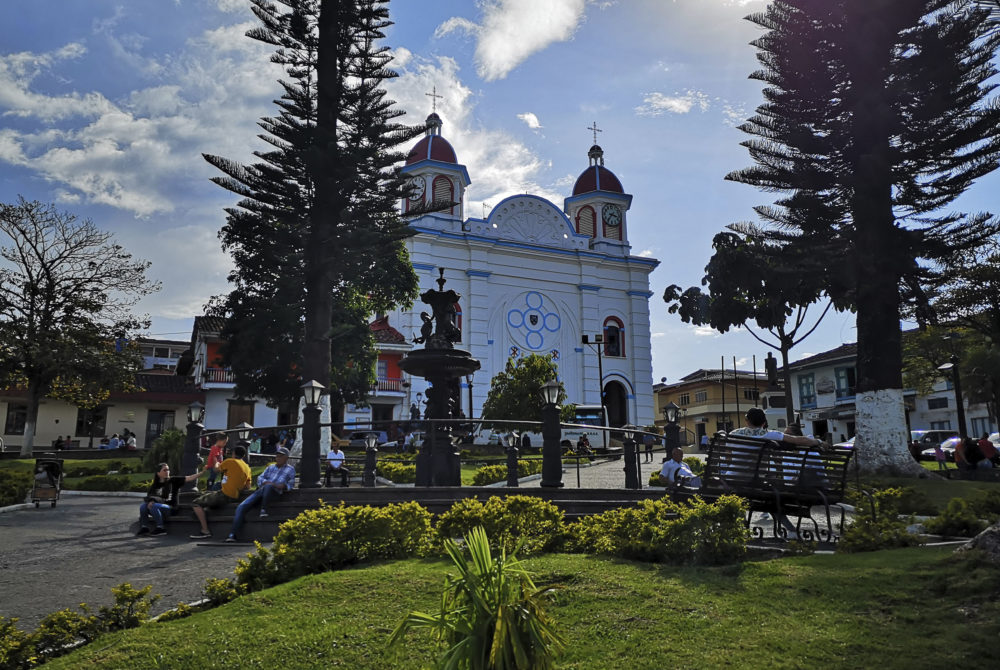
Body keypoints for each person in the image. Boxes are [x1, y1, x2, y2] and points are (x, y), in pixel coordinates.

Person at [226, 447, 296, 542]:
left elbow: (290, 484)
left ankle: (264, 509)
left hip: (274, 492)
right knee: (241, 507)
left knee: (268, 487)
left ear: (286, 458)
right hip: (262, 490)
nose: (278, 458)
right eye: (277, 456)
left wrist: (277, 485)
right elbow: (260, 478)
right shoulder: (270, 467)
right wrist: (266, 482)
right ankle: (232, 535)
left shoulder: (290, 469)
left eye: (281, 456)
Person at [189, 445, 252, 539]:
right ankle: (204, 512)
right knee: (213, 492)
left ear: (234, 454)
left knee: (196, 504)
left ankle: (205, 531)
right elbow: (248, 487)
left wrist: (216, 462)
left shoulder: (230, 461)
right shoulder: (247, 467)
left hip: (225, 495)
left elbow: (215, 469)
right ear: (243, 455)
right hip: (235, 496)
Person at [138, 463, 206, 536]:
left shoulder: (173, 480)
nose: (167, 471)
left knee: (154, 506)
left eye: (168, 470)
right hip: (157, 507)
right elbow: (150, 496)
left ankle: (160, 528)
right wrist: (151, 501)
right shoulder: (155, 485)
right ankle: (144, 527)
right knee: (143, 506)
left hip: (171, 508)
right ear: (158, 473)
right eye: (165, 470)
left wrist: (202, 472)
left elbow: (190, 478)